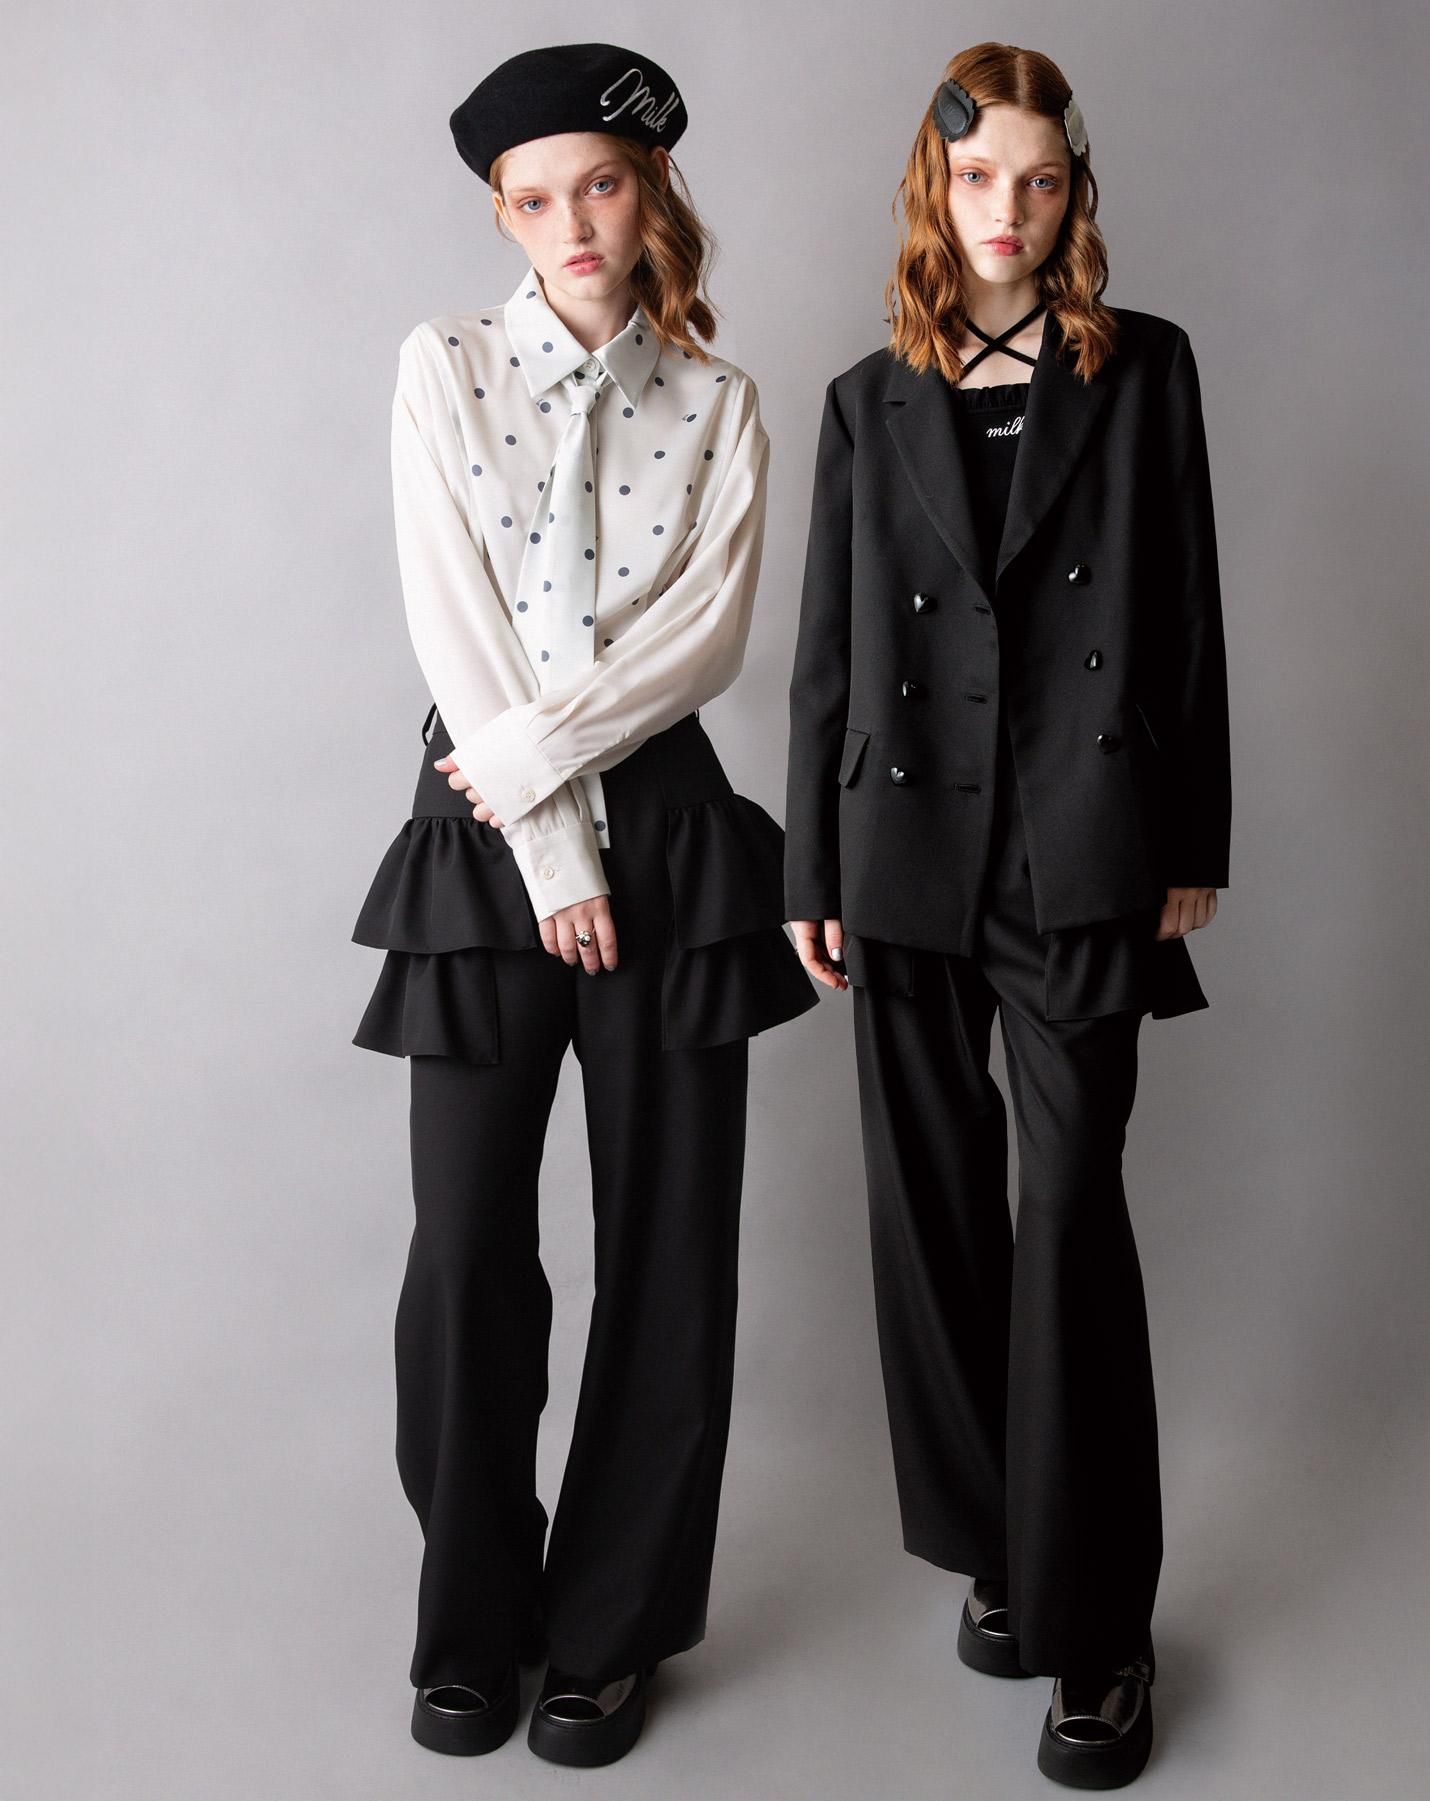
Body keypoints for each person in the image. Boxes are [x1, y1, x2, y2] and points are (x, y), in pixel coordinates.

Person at [349, 40, 816, 1768]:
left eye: (601, 186)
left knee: (671, 1254)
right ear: (501, 212)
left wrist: (580, 810)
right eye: (535, 199)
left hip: (673, 844)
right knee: (467, 1249)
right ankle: (474, 1621)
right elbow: (452, 617)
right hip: (488, 839)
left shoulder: (723, 400)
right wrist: (553, 849)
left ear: (652, 188)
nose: (573, 225)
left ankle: (611, 1631)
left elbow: (704, 642)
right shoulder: (444, 366)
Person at [783, 41, 1230, 1791]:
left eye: (1040, 180)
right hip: (902, 849)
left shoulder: (1144, 368)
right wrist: (810, 871)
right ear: (936, 186)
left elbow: (1185, 609)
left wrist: (1191, 832)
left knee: (1072, 1218)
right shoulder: (864, 398)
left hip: (1083, 847)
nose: (1008, 210)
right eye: (979, 179)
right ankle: (996, 1547)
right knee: (933, 1217)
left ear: (1074, 191)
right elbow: (828, 648)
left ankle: (1098, 1627)